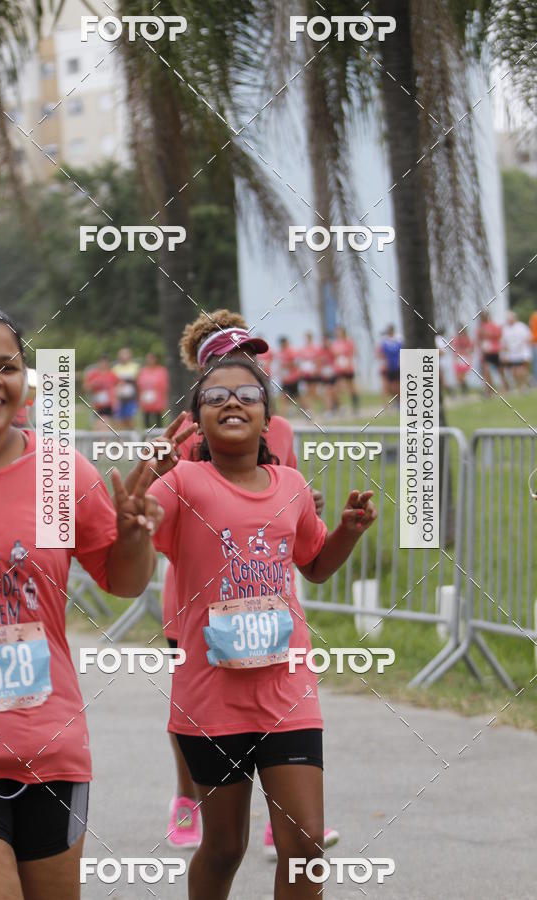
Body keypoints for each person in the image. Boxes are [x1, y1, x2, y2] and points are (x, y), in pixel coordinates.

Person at [0, 304, 166, 900]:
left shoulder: (59, 475)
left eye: (7, 366)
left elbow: (122, 580)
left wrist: (135, 535)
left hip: (52, 749)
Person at [147, 357, 377, 899]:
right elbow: (130, 537)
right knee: (226, 846)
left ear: (267, 417)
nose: (232, 402)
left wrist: (346, 531)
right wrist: (146, 489)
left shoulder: (292, 485)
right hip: (211, 698)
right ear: (196, 421)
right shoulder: (182, 483)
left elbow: (315, 565)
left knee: (308, 842)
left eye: (248, 394)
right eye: (215, 396)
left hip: (287, 690)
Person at [162, 309, 337, 858]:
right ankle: (186, 797)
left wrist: (316, 510)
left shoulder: (277, 428)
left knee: (302, 841)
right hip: (201, 605)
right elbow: (143, 522)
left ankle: (280, 813)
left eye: (252, 364)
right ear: (202, 378)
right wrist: (150, 474)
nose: (240, 379)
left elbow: (291, 513)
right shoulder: (186, 441)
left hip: (275, 632)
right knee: (223, 845)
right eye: (222, 372)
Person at [83, 355, 119, 431]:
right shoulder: (93, 375)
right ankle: (101, 440)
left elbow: (120, 385)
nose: (103, 365)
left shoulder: (111, 374)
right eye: (101, 363)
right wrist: (93, 384)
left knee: (107, 423)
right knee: (99, 425)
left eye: (105, 363)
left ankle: (104, 440)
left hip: (109, 404)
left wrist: (115, 397)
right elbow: (85, 387)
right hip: (98, 405)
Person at [500, 310, 532, 390]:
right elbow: (503, 343)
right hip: (512, 353)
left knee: (522, 369)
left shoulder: (521, 327)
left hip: (522, 352)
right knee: (514, 371)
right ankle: (519, 385)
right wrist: (504, 353)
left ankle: (524, 385)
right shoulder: (505, 329)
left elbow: (528, 338)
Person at [137, 352, 169, 430]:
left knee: (158, 422)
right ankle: (147, 439)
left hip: (157, 401)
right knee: (146, 421)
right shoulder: (143, 371)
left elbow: (164, 385)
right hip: (146, 401)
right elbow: (139, 385)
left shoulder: (161, 370)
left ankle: (158, 438)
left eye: (152, 358)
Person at [332, 326, 359, 413]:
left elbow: (352, 353)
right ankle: (340, 406)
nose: (337, 333)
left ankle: (355, 406)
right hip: (339, 369)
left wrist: (348, 365)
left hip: (348, 368)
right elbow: (334, 355)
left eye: (339, 331)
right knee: (338, 388)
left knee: (351, 387)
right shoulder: (335, 343)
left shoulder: (349, 342)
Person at [112, 347, 139, 430]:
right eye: (122, 355)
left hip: (131, 398)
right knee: (118, 420)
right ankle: (122, 439)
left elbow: (137, 381)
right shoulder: (115, 368)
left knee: (129, 419)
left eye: (125, 354)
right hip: (119, 398)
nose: (124, 357)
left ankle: (133, 436)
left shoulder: (135, 367)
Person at [477, 310, 503, 395]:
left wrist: (489, 334)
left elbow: (498, 335)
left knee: (500, 370)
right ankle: (489, 390)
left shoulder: (493, 325)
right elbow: (479, 339)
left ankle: (505, 387)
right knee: (486, 371)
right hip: (486, 352)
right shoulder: (480, 327)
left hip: (494, 351)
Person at [377, 325, 402, 404]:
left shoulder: (398, 341)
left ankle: (398, 402)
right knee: (385, 387)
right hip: (387, 367)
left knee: (396, 387)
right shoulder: (384, 342)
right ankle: (385, 405)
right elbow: (379, 354)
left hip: (396, 366)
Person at [275, 336, 300, 415]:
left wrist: (286, 365)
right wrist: (279, 372)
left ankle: (308, 410)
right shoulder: (280, 352)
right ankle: (282, 415)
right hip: (285, 379)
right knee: (283, 397)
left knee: (297, 397)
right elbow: (279, 365)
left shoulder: (292, 351)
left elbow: (295, 363)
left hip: (293, 378)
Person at [451, 328, 474, 394]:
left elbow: (471, 348)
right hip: (459, 358)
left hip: (465, 357)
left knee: (462, 375)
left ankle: (463, 389)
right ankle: (463, 389)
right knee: (458, 376)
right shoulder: (456, 339)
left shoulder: (467, 339)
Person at [529, 308, 537, 385]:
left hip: (534, 342)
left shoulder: (534, 316)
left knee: (535, 363)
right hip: (535, 342)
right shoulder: (534, 316)